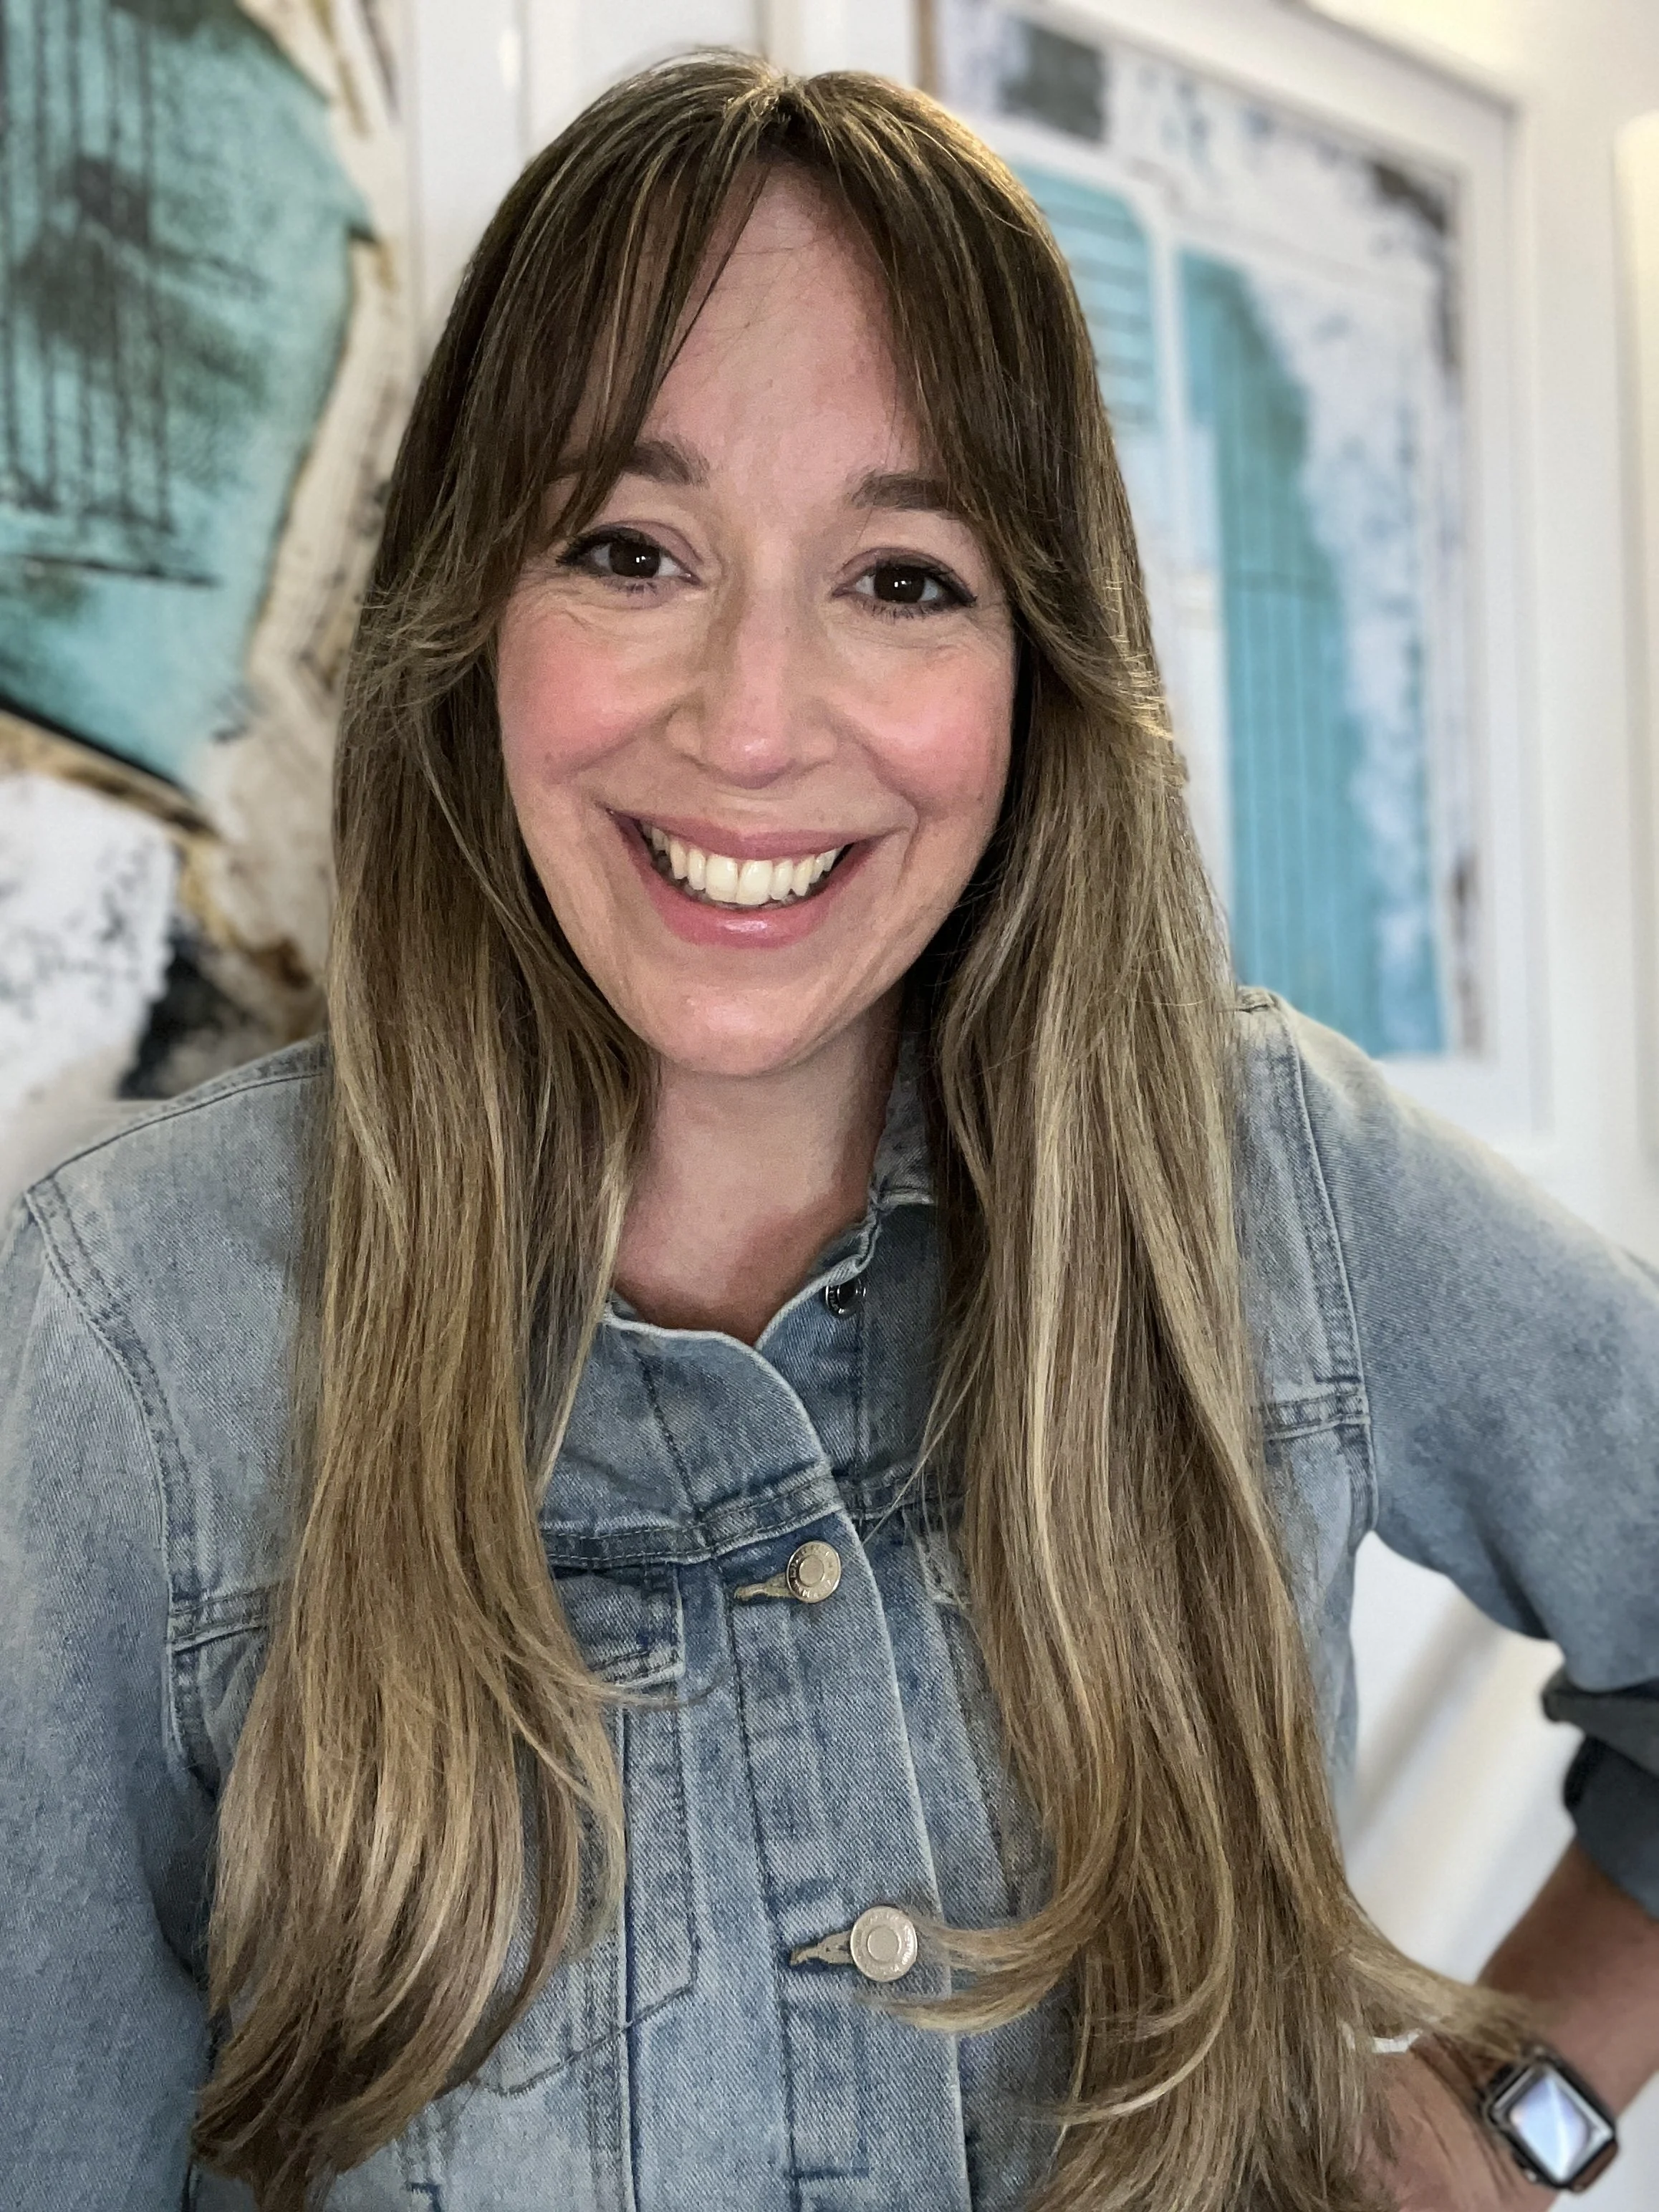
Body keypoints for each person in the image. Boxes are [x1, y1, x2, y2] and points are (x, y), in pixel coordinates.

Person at [2, 54, 1658, 2212]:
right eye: (631, 550)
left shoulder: (1266, 1174)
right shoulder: (132, 1336)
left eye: (901, 578)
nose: (755, 723)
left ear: (1038, 662)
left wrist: (1516, 2116)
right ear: (471, 616)